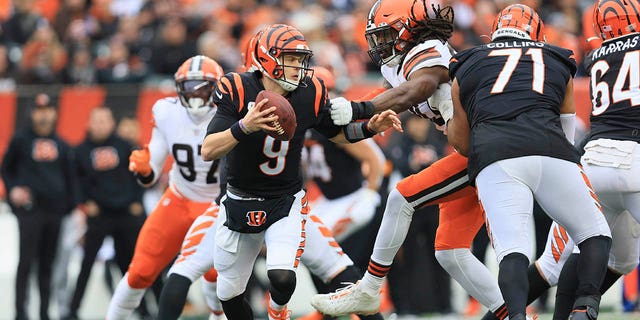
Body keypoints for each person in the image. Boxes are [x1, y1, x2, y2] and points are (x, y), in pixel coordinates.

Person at [311, 1, 512, 319]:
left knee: (401, 197)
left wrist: (360, 109)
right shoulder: (400, 65)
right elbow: (387, 102)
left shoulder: (429, 49)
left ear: (410, 29)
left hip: (489, 147)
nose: (380, 43)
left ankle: (369, 289)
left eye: (387, 34)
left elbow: (419, 88)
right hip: (474, 151)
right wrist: (356, 122)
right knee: (451, 251)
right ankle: (516, 315)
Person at [200, 23, 400, 320]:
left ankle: (277, 311)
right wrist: (246, 125)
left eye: (300, 59)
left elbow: (336, 133)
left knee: (283, 277)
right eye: (291, 59)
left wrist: (370, 127)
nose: (298, 66)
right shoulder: (238, 88)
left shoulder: (310, 92)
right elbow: (208, 149)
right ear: (268, 58)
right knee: (229, 295)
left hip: (286, 200)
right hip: (240, 200)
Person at [445, 4, 612, 320]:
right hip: (550, 148)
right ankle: (584, 305)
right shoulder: (557, 58)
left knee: (513, 250)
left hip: (496, 155)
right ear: (537, 35)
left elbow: (463, 143)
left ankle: (518, 317)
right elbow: (566, 129)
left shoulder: (467, 63)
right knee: (595, 233)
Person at [105, 55, 225, 320]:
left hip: (219, 206)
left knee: (218, 276)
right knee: (139, 272)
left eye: (203, 87)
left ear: (217, 88)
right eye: (189, 87)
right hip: (180, 199)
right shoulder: (167, 111)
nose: (195, 94)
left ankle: (217, 316)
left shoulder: (231, 113)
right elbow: (153, 168)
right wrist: (146, 168)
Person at [64, 107, 146, 320]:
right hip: (99, 215)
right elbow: (76, 181)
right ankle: (72, 311)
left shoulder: (125, 146)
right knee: (86, 265)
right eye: (96, 121)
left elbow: (140, 175)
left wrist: (136, 200)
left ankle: (144, 310)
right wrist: (85, 202)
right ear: (89, 124)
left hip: (125, 214)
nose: (100, 125)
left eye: (104, 120)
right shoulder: (80, 151)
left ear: (112, 123)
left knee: (132, 265)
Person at [1, 93, 76, 320]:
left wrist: (68, 208)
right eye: (39, 110)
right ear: (32, 113)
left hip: (55, 213)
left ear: (54, 113)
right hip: (30, 211)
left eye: (47, 110)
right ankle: (20, 313)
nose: (43, 115)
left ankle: (44, 312)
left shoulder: (62, 145)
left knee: (47, 265)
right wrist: (14, 190)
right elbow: (6, 169)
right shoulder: (20, 140)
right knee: (25, 264)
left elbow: (70, 178)